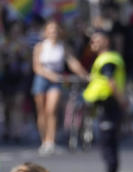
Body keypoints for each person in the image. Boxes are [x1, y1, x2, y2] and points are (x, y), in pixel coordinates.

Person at [31, 20, 89, 156]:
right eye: (50, 30)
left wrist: (84, 74)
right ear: (46, 32)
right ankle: (44, 140)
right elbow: (37, 67)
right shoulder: (40, 46)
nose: (53, 33)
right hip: (42, 78)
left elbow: (72, 62)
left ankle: (51, 141)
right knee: (42, 111)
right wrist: (50, 75)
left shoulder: (62, 47)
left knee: (51, 110)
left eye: (55, 30)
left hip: (56, 80)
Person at [82, 30, 126, 172]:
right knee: (107, 142)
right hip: (106, 105)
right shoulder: (103, 59)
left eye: (96, 40)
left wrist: (123, 103)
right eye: (92, 41)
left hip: (110, 105)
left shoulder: (108, 59)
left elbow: (111, 82)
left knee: (108, 143)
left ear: (106, 41)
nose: (93, 43)